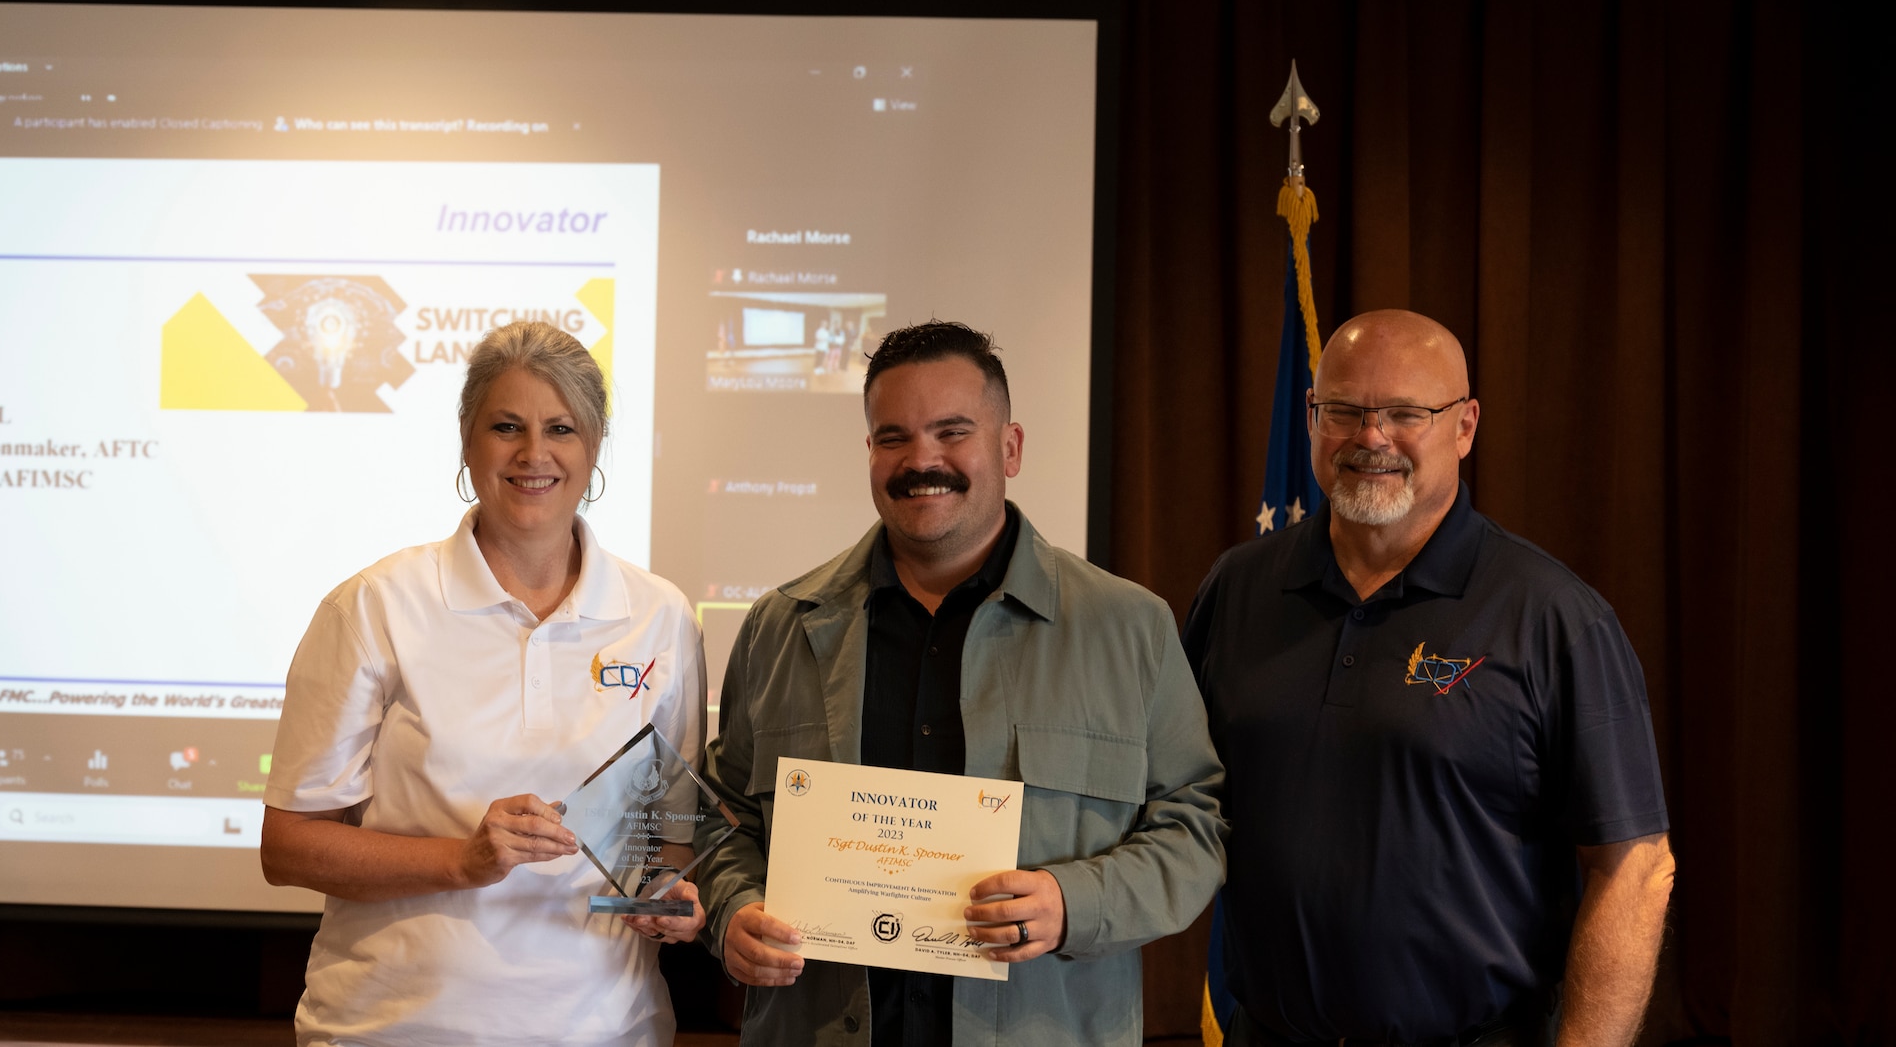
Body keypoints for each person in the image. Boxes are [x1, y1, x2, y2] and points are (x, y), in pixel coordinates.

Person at [696, 319, 1228, 1045]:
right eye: (894, 437)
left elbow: (1195, 826)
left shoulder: (1127, 627)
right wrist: (733, 909)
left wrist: (1072, 903)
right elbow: (721, 816)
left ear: (1009, 446)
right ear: (870, 451)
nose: (922, 460)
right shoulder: (781, 626)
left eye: (952, 432)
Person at [1184, 310, 1676, 1047]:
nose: (1370, 437)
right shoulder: (1238, 588)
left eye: (1406, 413)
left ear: (1465, 425)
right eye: (1343, 410)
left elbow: (1634, 866)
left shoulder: (1552, 617)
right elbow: (1170, 797)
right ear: (1313, 418)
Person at [261, 320, 707, 1047]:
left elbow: (670, 842)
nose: (534, 453)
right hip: (393, 1027)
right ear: (468, 444)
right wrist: (462, 859)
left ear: (593, 449)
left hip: (604, 1029)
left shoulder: (661, 616)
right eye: (507, 426)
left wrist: (673, 901)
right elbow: (287, 847)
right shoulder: (376, 604)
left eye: (561, 428)